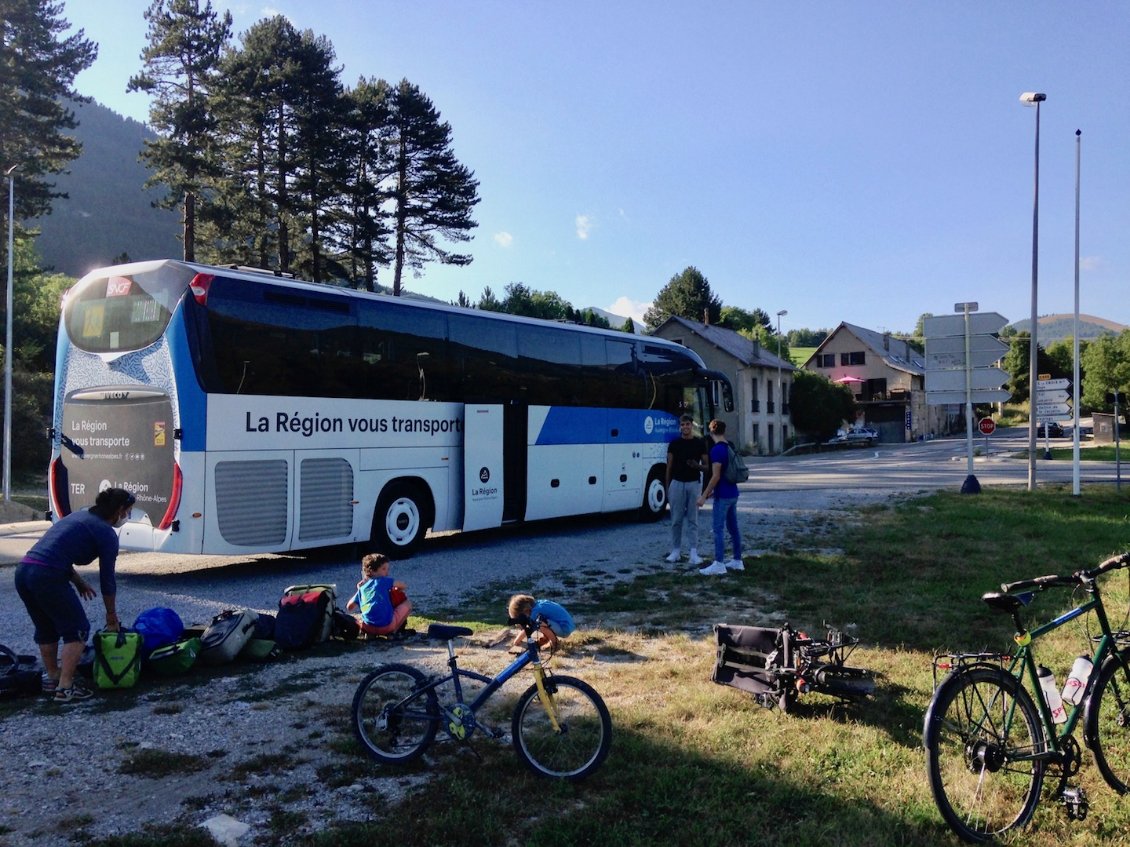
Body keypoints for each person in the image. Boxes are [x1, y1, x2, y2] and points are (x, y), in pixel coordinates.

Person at [14, 487, 135, 702]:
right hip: (47, 575)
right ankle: (66, 688)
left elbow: (54, 551)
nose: (127, 516)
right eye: (128, 511)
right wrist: (111, 616)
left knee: (46, 628)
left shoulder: (79, 516)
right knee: (78, 630)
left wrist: (78, 582)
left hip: (24, 571)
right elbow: (107, 580)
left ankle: (52, 678)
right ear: (119, 510)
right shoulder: (106, 533)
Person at [696, 419, 744, 575]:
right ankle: (737, 560)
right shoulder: (730, 446)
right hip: (733, 493)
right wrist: (712, 491)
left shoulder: (716, 450)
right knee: (733, 528)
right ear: (724, 431)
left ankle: (719, 563)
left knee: (718, 529)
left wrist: (703, 495)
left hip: (722, 496)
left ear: (711, 432)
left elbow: (716, 476)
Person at [665, 414, 709, 566]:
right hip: (677, 483)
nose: (685, 427)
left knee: (693, 519)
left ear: (692, 426)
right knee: (676, 519)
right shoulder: (674, 444)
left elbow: (707, 466)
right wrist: (667, 486)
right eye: (682, 425)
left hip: (693, 483)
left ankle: (693, 552)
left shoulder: (699, 443)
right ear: (680, 427)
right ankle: (676, 551)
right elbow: (669, 466)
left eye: (688, 424)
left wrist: (697, 466)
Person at [347, 552, 413, 638]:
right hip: (386, 627)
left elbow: (349, 607)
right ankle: (392, 632)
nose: (387, 573)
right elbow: (404, 585)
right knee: (408, 604)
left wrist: (359, 590)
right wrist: (398, 589)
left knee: (364, 615)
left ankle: (370, 634)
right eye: (384, 569)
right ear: (373, 571)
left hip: (368, 627)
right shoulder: (384, 581)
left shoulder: (362, 588)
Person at [508, 593, 575, 652]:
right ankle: (546, 639)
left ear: (525, 611)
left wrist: (517, 640)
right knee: (541, 622)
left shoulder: (535, 612)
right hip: (567, 625)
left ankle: (555, 644)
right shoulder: (538, 604)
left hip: (564, 629)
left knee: (540, 624)